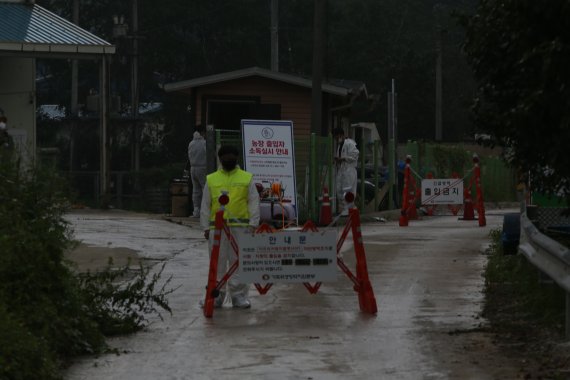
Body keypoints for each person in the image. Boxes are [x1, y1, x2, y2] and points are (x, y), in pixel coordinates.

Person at [200, 145, 260, 308]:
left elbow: (253, 201)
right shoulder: (211, 179)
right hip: (217, 229)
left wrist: (253, 224)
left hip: (240, 228)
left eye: (231, 156)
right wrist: (205, 227)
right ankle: (216, 294)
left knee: (239, 261)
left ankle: (238, 296)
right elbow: (205, 204)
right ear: (220, 159)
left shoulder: (246, 178)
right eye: (225, 156)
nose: (228, 159)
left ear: (236, 158)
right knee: (216, 262)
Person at [333, 127, 359, 216]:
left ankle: (349, 209)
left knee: (348, 189)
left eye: (337, 137)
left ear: (341, 135)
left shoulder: (350, 143)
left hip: (349, 170)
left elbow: (355, 155)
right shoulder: (340, 146)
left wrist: (343, 158)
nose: (336, 139)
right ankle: (346, 208)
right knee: (339, 188)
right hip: (342, 170)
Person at [187, 128, 207, 218]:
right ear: (202, 133)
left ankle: (196, 211)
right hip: (202, 168)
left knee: (195, 191)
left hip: (193, 168)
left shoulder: (191, 143)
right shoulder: (204, 143)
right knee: (205, 189)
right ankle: (205, 211)